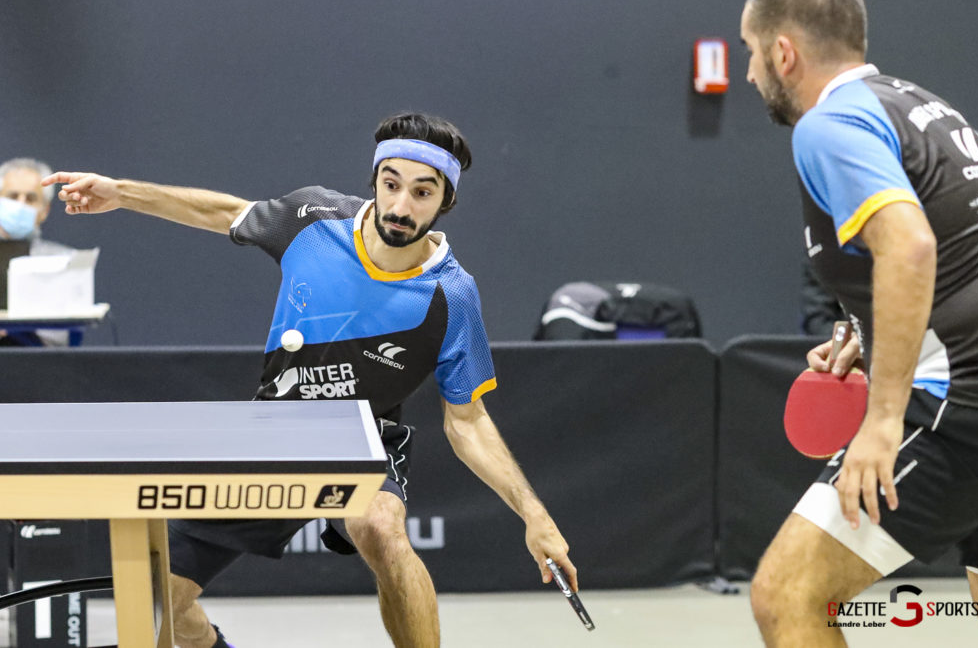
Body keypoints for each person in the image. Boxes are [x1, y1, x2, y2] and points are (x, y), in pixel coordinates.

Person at [44, 113, 577, 648]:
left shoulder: (452, 295)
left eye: (422, 192)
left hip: (365, 442)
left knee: (383, 529)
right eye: (391, 184)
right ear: (375, 179)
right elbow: (228, 212)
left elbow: (468, 421)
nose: (400, 205)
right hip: (275, 430)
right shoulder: (312, 218)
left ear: (446, 202)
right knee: (162, 597)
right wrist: (121, 193)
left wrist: (536, 516)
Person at [739, 0, 978, 646]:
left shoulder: (827, 124)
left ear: (784, 52)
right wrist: (873, 330)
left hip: (973, 397)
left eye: (750, 52)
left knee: (788, 596)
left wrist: (884, 418)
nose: (750, 74)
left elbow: (913, 248)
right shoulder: (921, 105)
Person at [0, 157, 76, 346]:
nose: (20, 205)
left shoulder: (64, 262)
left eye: (30, 199)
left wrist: (13, 332)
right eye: (12, 196)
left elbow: (62, 338)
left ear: (44, 210)